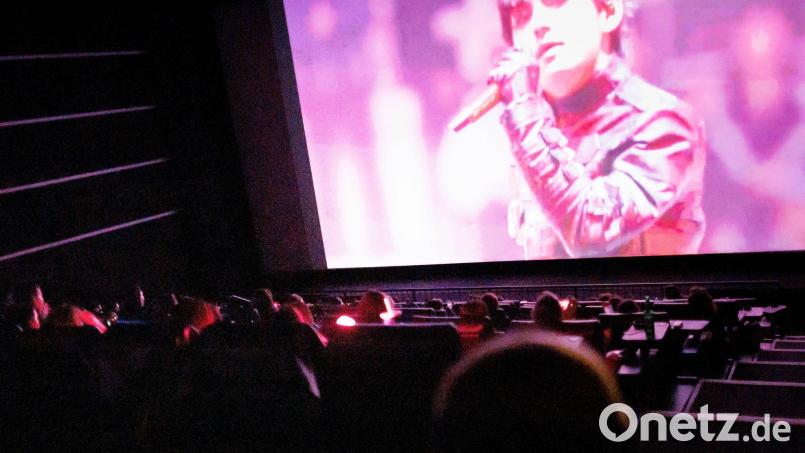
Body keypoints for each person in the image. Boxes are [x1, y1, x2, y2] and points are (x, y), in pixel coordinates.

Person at [491, 0, 706, 258]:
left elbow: (592, 233)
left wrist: (524, 116)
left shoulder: (663, 121)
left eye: (555, 2)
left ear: (608, 11)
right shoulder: (536, 126)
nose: (538, 24)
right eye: (522, 15)